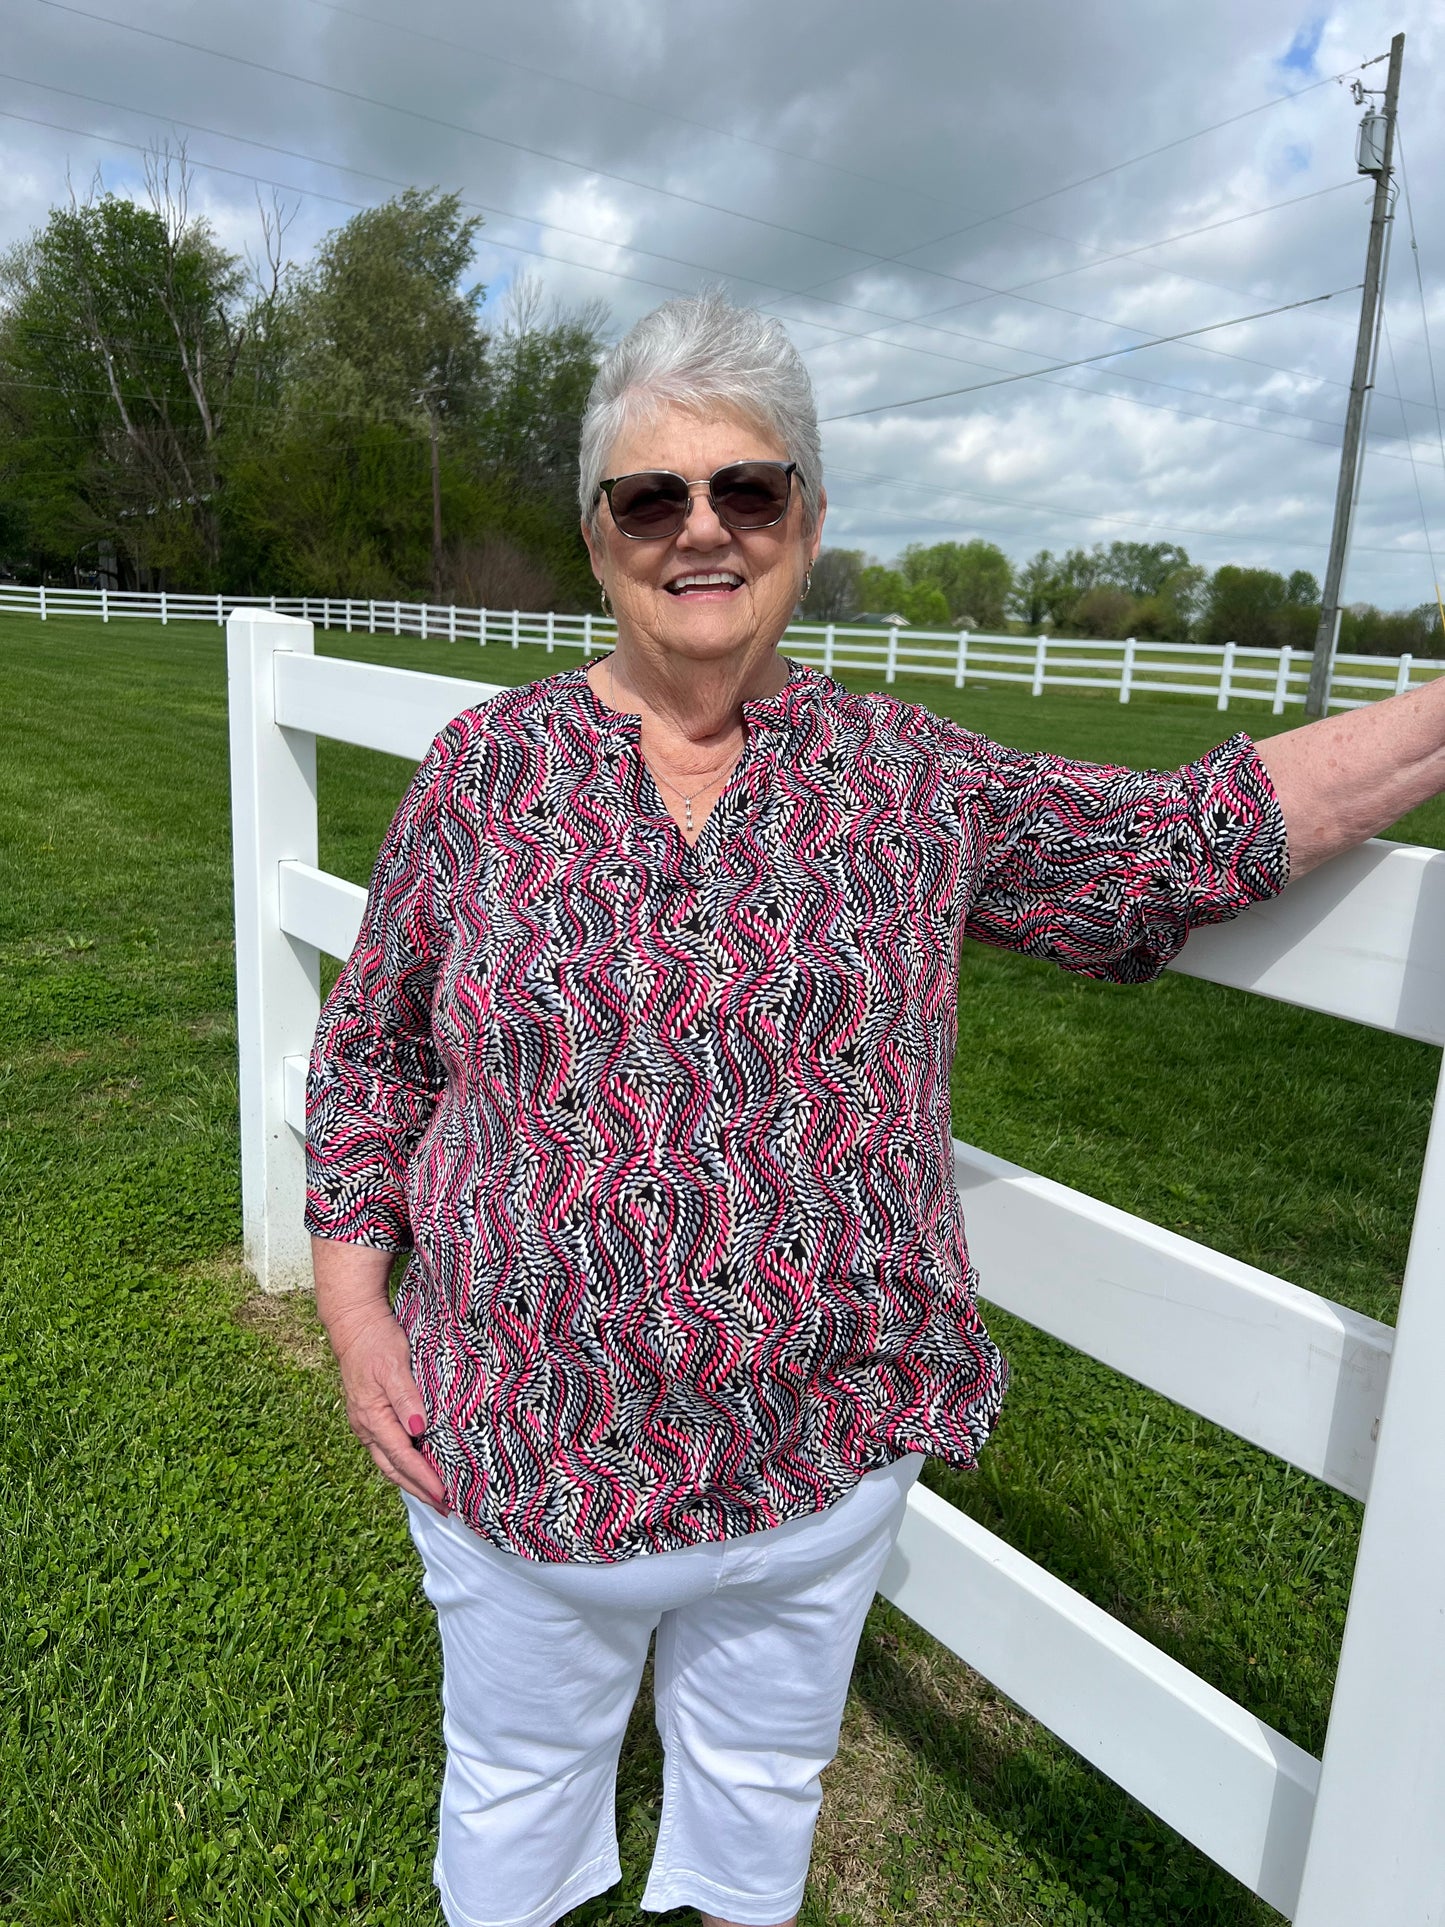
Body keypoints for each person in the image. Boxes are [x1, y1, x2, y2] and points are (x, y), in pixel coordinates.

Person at [304, 292, 1445, 1927]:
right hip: (518, 1445)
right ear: (598, 535)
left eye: (746, 491)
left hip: (816, 1456)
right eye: (653, 498)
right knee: (512, 1791)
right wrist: (357, 1316)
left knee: (764, 1797)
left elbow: (1176, 842)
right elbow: (373, 1065)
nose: (701, 530)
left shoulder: (907, 778)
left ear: (807, 521)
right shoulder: (485, 776)